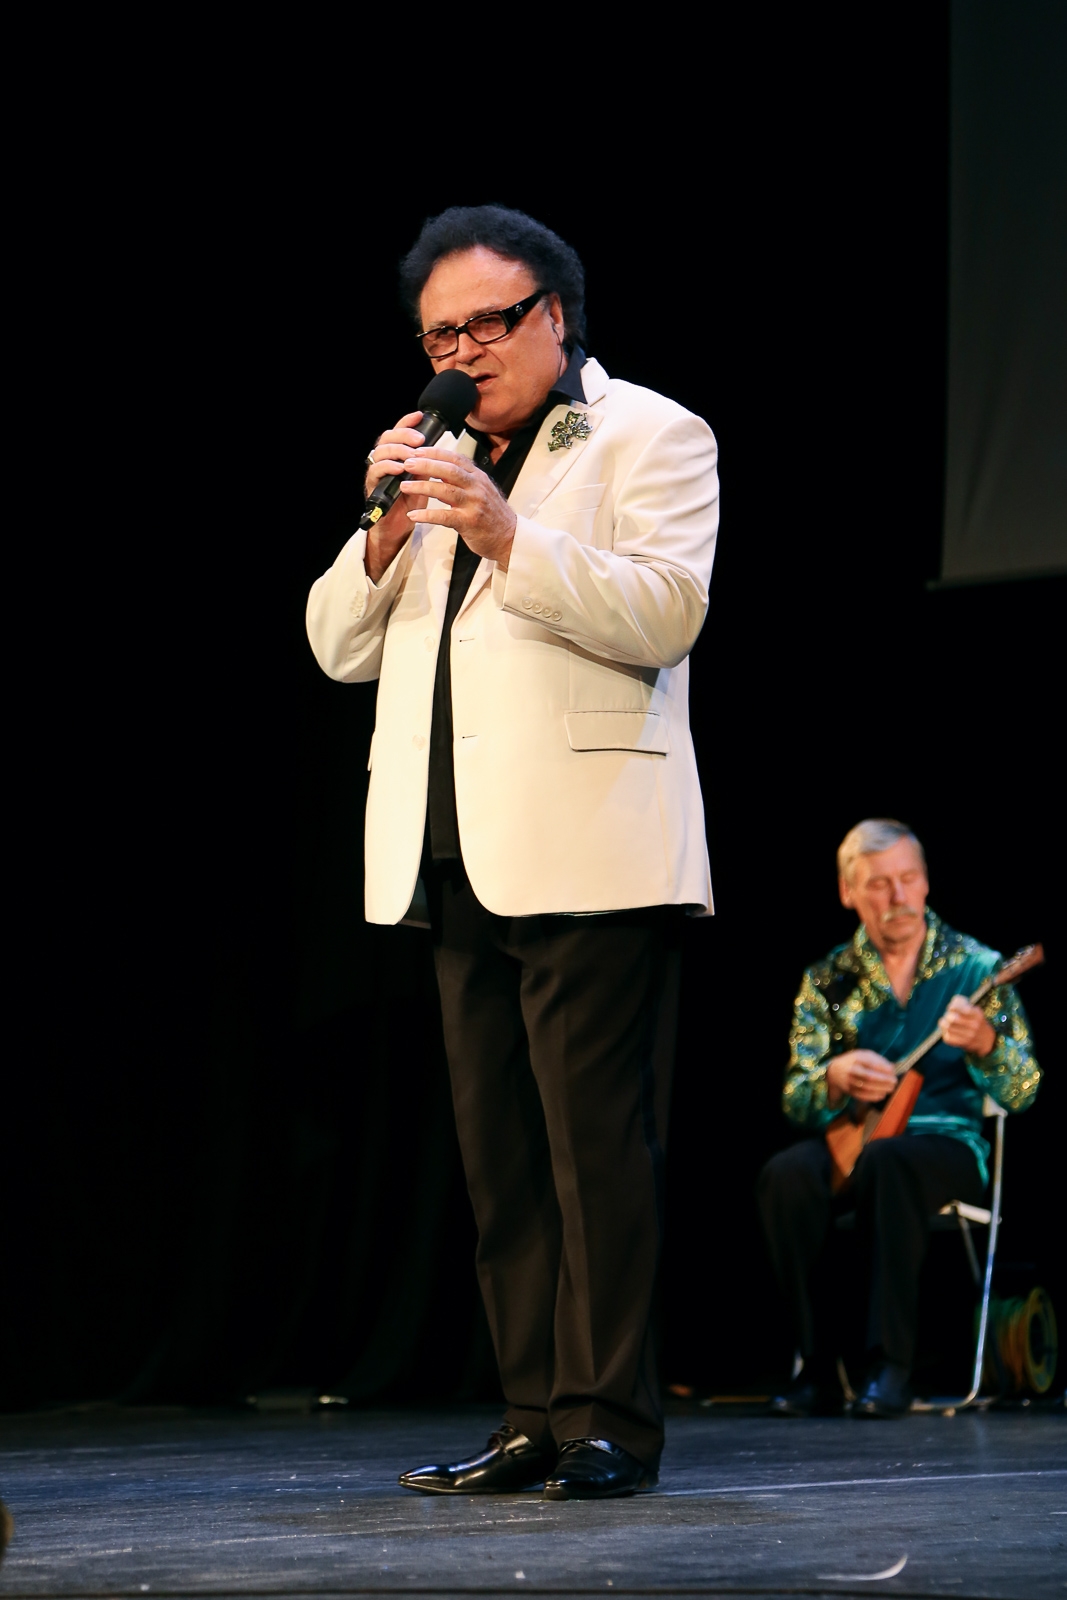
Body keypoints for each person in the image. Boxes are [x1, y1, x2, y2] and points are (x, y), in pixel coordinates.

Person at [306, 207, 719, 1497]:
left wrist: (503, 534)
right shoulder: (428, 461)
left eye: (487, 323)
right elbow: (334, 642)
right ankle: (532, 1414)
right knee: (501, 1169)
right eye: (439, 334)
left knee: (594, 1157)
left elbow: (666, 611)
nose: (462, 351)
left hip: (591, 850)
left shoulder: (650, 432)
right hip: (450, 852)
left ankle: (609, 1422)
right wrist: (382, 535)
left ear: (555, 313)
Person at [757, 818, 1040, 1418]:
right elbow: (795, 1099)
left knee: (890, 1161)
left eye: (909, 878)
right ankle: (818, 1368)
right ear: (848, 892)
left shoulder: (977, 968)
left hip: (947, 1143)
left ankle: (890, 1367)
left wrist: (987, 1044)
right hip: (858, 1138)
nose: (898, 896)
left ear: (927, 882)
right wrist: (834, 1078)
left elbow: (1025, 1089)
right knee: (786, 1176)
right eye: (879, 883)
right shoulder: (829, 981)